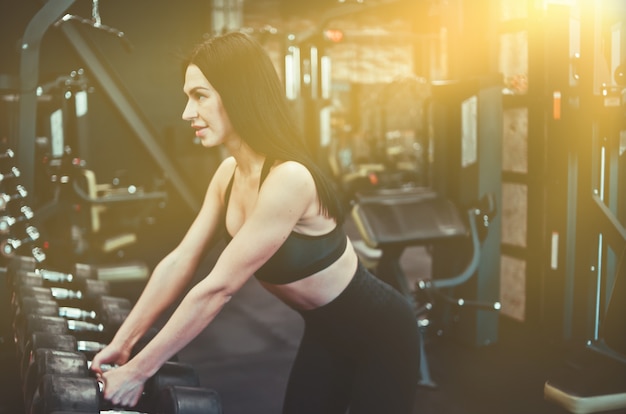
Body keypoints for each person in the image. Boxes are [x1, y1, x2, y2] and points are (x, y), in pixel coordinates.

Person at [90, 31, 420, 414]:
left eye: (200, 96)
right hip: (324, 332)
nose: (186, 112)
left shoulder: (288, 179)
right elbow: (182, 260)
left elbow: (218, 288)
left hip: (381, 332)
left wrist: (137, 371)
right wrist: (124, 341)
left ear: (238, 95)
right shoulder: (228, 174)